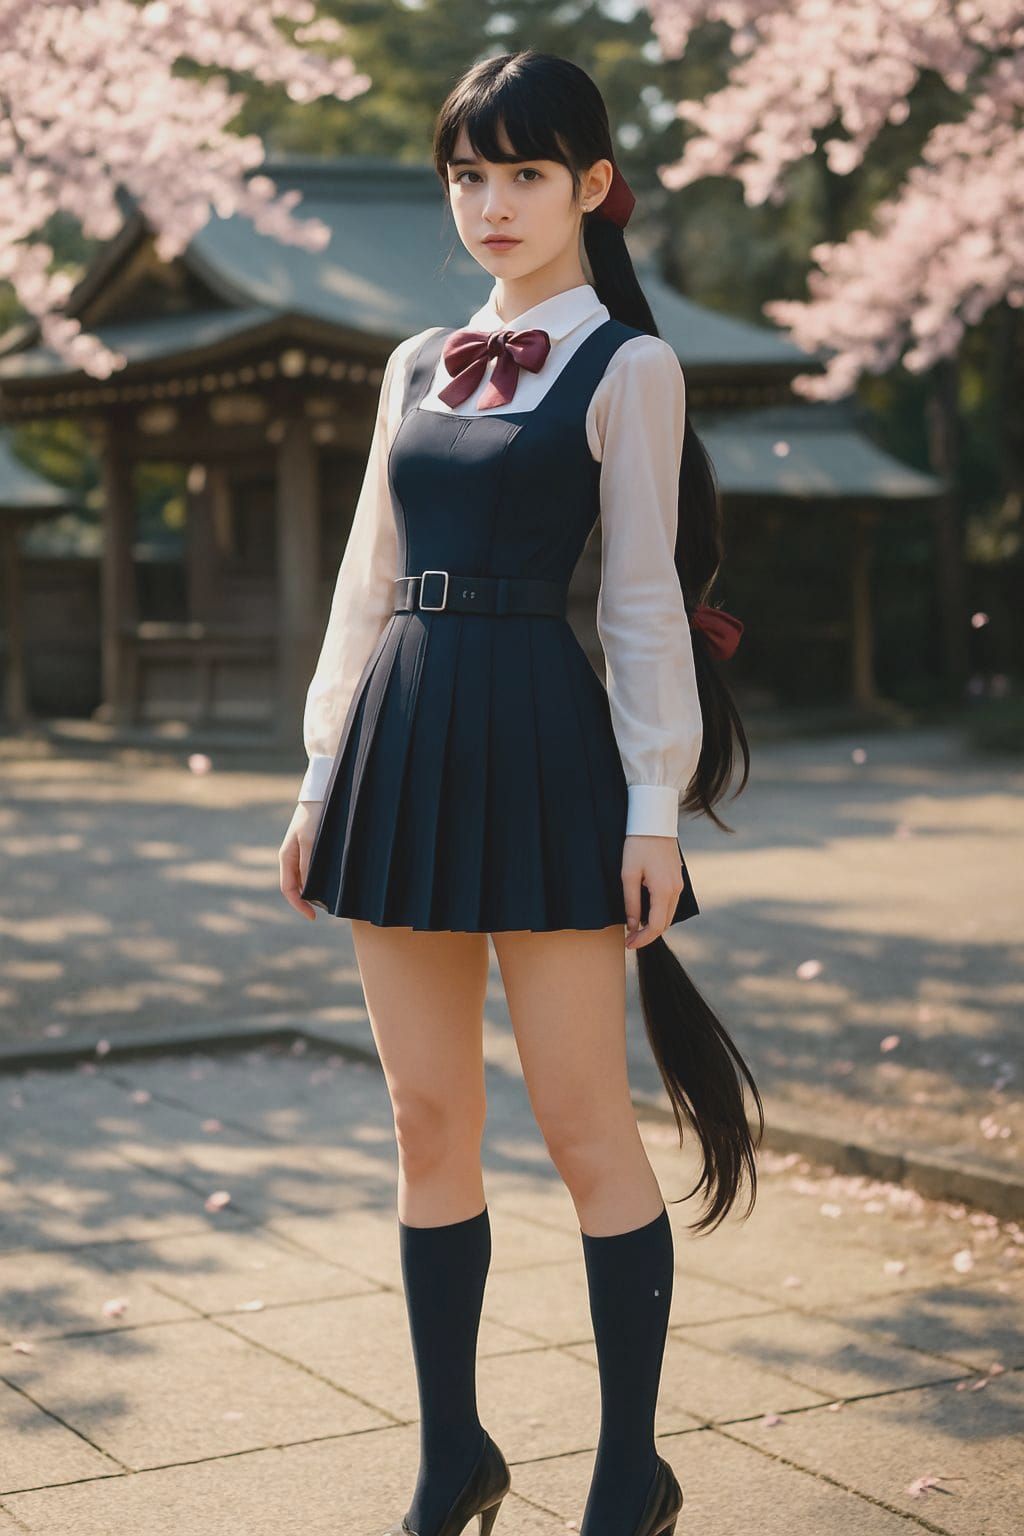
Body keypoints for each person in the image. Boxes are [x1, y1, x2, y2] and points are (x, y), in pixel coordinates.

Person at [278, 49, 763, 1536]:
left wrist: (654, 813)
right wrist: (316, 781)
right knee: (430, 1119)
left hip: (549, 752)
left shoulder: (632, 364)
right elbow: (366, 582)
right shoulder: (412, 362)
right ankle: (454, 1456)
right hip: (399, 742)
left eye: (525, 175)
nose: (492, 203)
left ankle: (631, 1472)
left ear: (590, 188)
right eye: (468, 175)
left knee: (579, 1128)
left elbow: (636, 603)